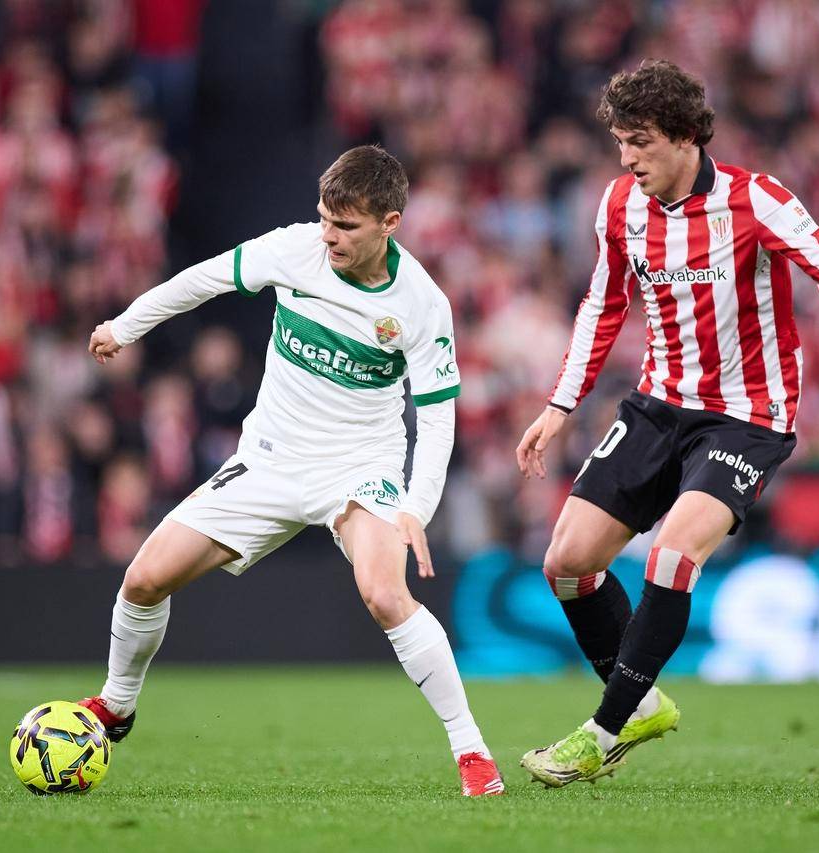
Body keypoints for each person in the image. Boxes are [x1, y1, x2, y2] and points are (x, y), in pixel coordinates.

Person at [78, 145, 504, 797]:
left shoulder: (421, 303)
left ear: (390, 223)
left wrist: (416, 505)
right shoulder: (294, 249)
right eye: (325, 219)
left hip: (360, 468)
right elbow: (203, 279)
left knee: (385, 593)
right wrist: (127, 326)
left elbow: (439, 416)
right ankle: (116, 704)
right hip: (268, 460)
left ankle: (470, 748)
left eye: (346, 226)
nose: (329, 236)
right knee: (142, 580)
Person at [515, 60, 819, 787]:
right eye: (620, 142)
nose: (627, 159)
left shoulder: (756, 199)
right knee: (566, 563)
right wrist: (560, 405)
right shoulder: (619, 205)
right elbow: (603, 305)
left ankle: (601, 732)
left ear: (686, 136)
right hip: (659, 404)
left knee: (672, 553)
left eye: (641, 142)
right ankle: (641, 702)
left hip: (746, 417)